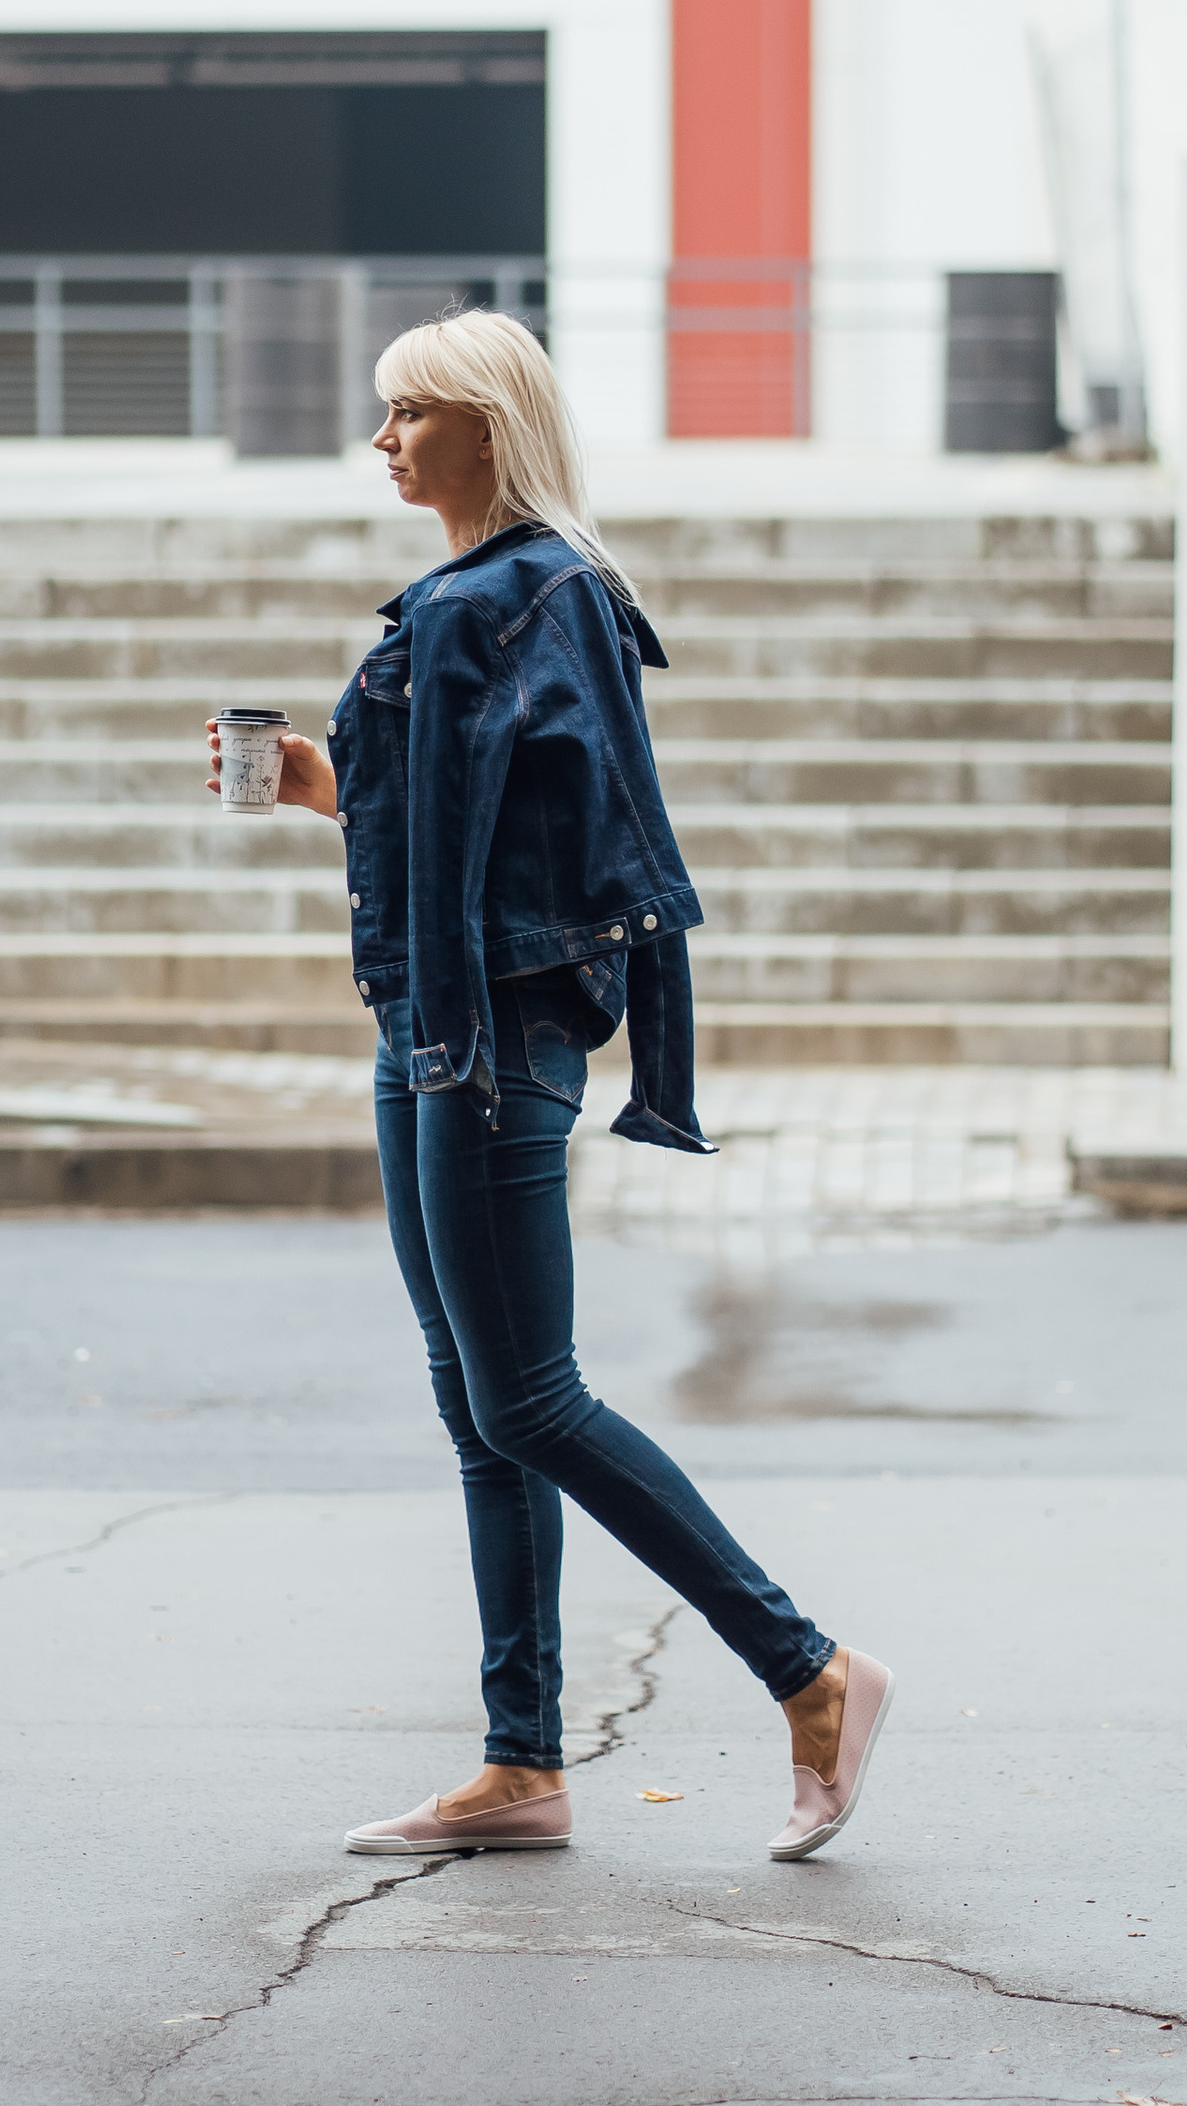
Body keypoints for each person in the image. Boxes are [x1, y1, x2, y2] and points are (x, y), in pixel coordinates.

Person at [207, 308, 891, 1865]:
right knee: (481, 1401)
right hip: (444, 1023)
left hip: (478, 1035)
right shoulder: (531, 590)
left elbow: (501, 852)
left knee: (525, 1397)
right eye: (383, 413)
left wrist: (447, 1025)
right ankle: (521, 1765)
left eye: (409, 412)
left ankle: (809, 1671)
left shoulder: (499, 598)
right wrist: (326, 786)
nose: (383, 440)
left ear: (489, 425)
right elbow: (490, 830)